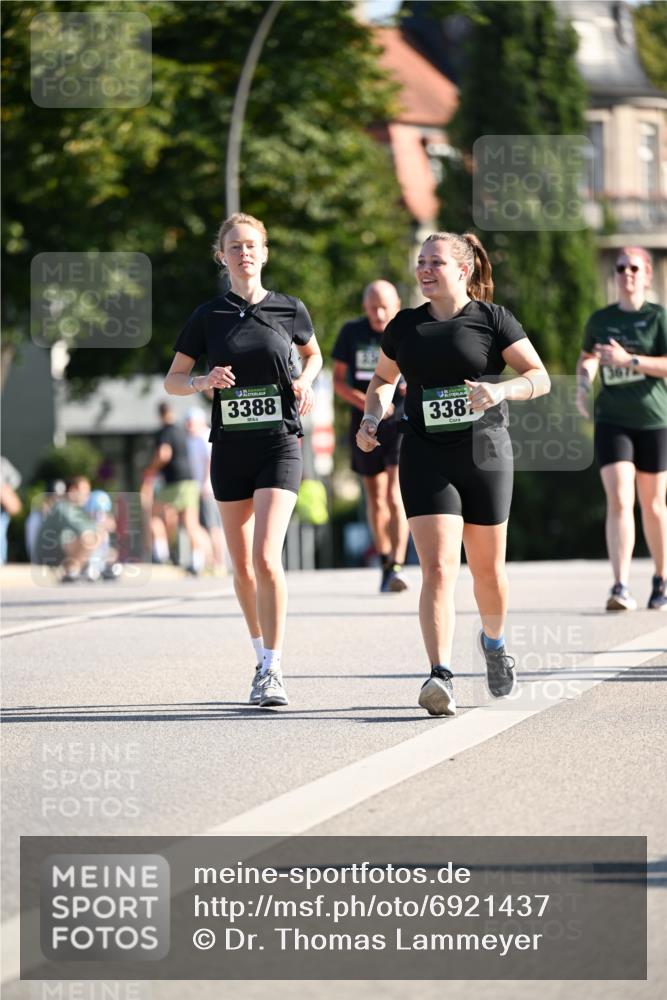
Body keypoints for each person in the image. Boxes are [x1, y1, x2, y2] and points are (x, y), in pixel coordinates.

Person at [357, 231, 550, 717]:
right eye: (421, 261)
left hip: (484, 453)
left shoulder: (492, 319)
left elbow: (539, 377)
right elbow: (383, 378)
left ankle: (494, 643)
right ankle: (439, 674)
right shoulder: (405, 326)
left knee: (487, 570)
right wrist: (371, 417)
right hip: (425, 454)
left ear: (463, 270)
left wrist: (501, 391)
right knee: (439, 568)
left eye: (435, 262)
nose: (424, 270)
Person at [164, 212, 322, 707]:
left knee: (266, 557)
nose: (244, 253)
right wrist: (202, 382)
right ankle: (258, 655)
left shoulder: (289, 308)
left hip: (279, 442)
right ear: (222, 257)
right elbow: (173, 379)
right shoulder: (207, 316)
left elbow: (313, 354)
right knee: (243, 568)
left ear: (265, 253)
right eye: (234, 246)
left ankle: (273, 668)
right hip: (230, 448)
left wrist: (305, 382)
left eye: (252, 245)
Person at [576, 246, 667, 611]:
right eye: (620, 268)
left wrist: (628, 359)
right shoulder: (601, 319)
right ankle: (620, 585)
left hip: (654, 420)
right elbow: (589, 357)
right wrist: (584, 381)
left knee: (654, 505)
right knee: (619, 498)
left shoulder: (658, 317)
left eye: (633, 268)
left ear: (647, 274)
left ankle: (661, 578)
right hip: (612, 420)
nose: (626, 273)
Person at [333, 281, 410, 592]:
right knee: (376, 498)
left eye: (384, 307)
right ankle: (384, 561)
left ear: (397, 306)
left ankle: (398, 565)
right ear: (365, 307)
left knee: (394, 495)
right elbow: (339, 382)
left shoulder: (406, 331)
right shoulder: (351, 333)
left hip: (401, 421)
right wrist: (369, 405)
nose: (378, 314)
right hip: (365, 421)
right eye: (373, 307)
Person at [146, 402, 206, 575]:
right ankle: (197, 561)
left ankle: (160, 554)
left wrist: (151, 469)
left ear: (159, 414)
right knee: (191, 524)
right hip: (189, 481)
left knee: (154, 516)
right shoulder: (182, 430)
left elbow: (164, 453)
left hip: (172, 482)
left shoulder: (164, 432)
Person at [185, 407, 227, 575]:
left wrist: (206, 483)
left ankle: (219, 562)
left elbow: (209, 461)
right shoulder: (192, 439)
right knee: (202, 526)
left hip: (207, 489)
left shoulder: (205, 437)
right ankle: (210, 561)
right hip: (196, 489)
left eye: (191, 422)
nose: (188, 426)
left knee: (213, 526)